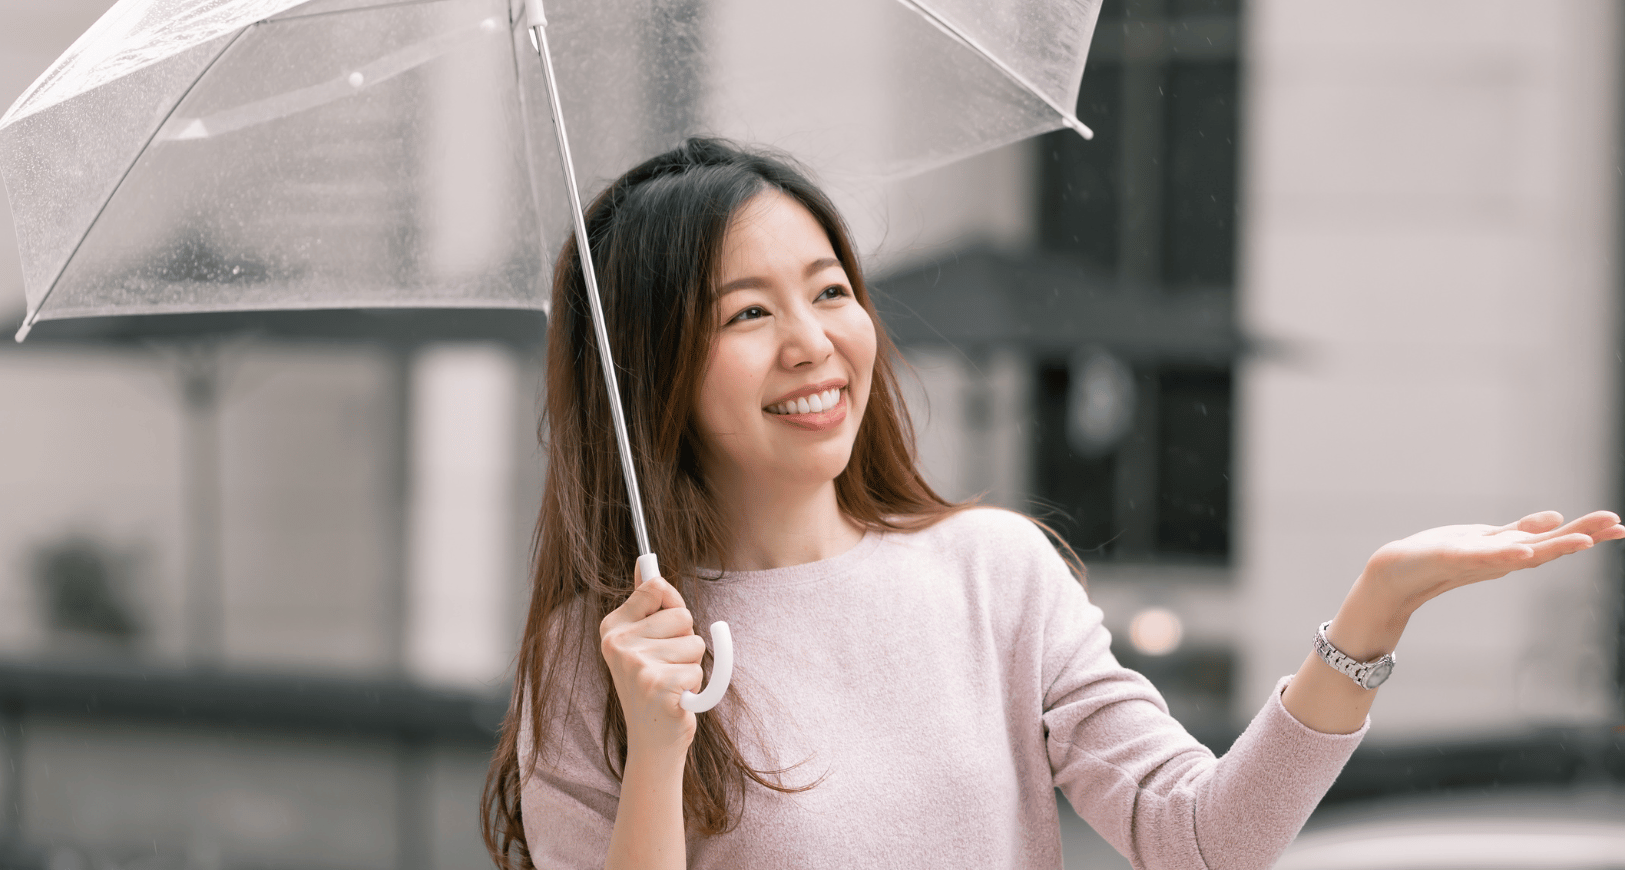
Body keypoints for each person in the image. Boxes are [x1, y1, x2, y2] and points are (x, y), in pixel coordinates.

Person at [482, 138, 1624, 870]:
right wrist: (658, 753)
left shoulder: (991, 572)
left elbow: (1200, 840)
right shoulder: (605, 663)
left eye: (829, 290)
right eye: (745, 315)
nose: (811, 342)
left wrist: (1374, 611)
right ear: (650, 371)